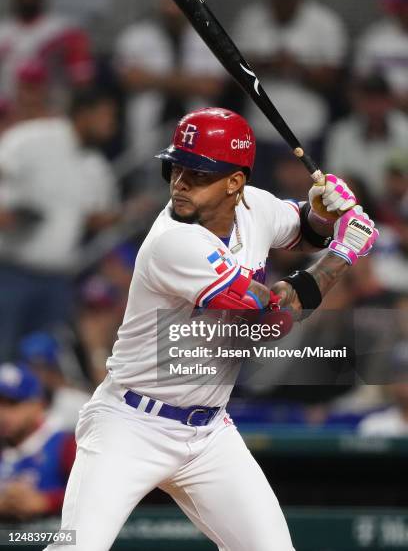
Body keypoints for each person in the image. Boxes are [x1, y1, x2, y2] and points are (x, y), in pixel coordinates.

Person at [46, 108, 378, 551]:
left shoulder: (253, 206)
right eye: (176, 167)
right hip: (130, 424)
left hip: (208, 433)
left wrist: (322, 214)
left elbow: (301, 231)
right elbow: (272, 317)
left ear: (234, 183)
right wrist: (345, 251)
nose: (180, 182)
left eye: (198, 173)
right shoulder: (172, 242)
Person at [0, 88, 120, 360]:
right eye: (106, 115)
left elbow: (98, 216)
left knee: (43, 362)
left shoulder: (96, 165)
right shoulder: (34, 138)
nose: (112, 123)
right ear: (84, 113)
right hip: (10, 271)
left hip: (58, 279)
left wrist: (123, 215)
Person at [233, 0, 347, 188]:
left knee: (310, 195)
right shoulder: (251, 19)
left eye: (288, 1)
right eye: (277, 1)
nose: (282, 6)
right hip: (261, 125)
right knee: (261, 193)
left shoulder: (324, 22)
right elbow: (234, 71)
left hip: (309, 124)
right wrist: (272, 63)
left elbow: (334, 77)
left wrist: (297, 68)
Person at [115, 0, 225, 166]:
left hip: (196, 130)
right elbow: (129, 79)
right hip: (148, 126)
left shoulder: (209, 35)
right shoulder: (136, 36)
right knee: (146, 177)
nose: (172, 7)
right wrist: (189, 82)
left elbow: (213, 85)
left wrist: (153, 79)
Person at [0, 0, 94, 106]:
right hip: (10, 114)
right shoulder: (3, 31)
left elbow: (83, 78)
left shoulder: (63, 30)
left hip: (53, 111)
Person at [0, 363, 76, 520]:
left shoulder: (65, 444)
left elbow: (98, 492)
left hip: (56, 539)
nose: (3, 413)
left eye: (13, 403)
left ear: (38, 405)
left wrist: (48, 501)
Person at [324, 74, 408, 198]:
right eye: (369, 100)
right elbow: (334, 179)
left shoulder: (404, 129)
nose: (374, 107)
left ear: (390, 101)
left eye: (380, 100)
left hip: (397, 206)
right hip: (354, 205)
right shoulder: (341, 134)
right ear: (358, 102)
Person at [355, 0, 408, 111]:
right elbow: (360, 80)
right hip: (381, 109)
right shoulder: (374, 36)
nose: (403, 10)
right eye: (401, 5)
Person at [19, 331, 91, 431]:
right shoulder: (22, 405)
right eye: (30, 368)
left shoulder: (77, 402)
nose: (34, 374)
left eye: (39, 368)